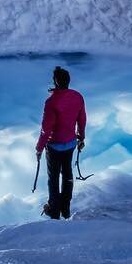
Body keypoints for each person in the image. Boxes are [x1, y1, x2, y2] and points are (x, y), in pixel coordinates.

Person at [35, 65, 86, 219]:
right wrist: (81, 137)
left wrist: (39, 148)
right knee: (67, 174)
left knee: (53, 177)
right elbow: (81, 119)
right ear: (68, 81)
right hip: (70, 143)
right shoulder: (77, 96)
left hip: (54, 145)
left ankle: (54, 210)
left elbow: (46, 129)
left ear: (55, 82)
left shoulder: (51, 102)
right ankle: (66, 208)